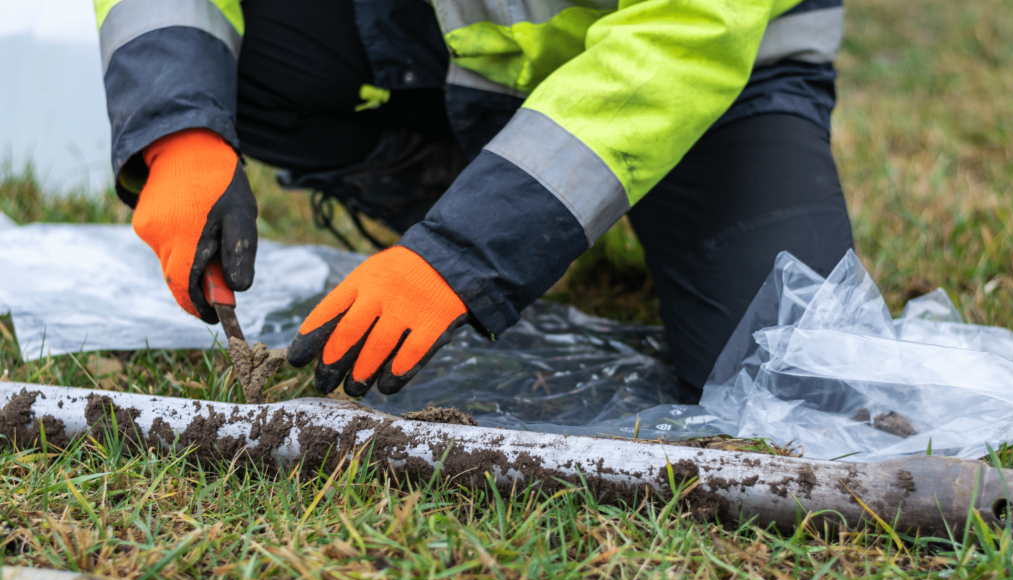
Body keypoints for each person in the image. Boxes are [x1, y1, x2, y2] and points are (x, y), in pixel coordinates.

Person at [95, 0, 853, 403]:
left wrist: (465, 249)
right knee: (257, 58)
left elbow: (683, 34)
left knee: (786, 366)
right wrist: (179, 128)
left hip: (718, 72)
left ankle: (510, 212)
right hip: (449, 38)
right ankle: (458, 190)